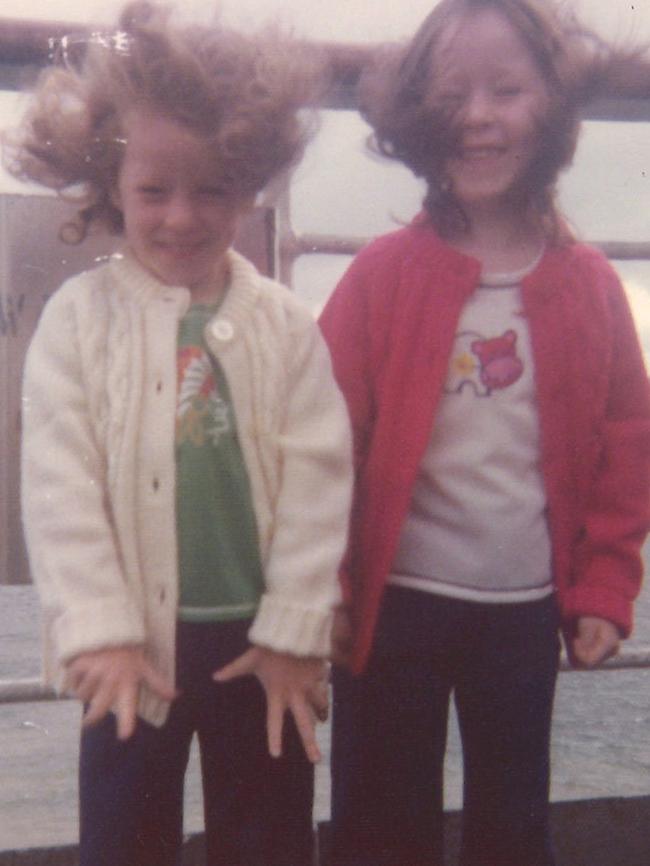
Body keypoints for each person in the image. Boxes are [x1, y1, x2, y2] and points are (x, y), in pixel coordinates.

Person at [13, 4, 352, 865]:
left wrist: (296, 632)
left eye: (212, 190)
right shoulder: (77, 320)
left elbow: (319, 478)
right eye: (152, 191)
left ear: (248, 185)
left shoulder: (284, 324)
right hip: (131, 656)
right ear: (108, 189)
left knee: (269, 837)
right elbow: (60, 487)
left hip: (262, 651)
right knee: (125, 839)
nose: (180, 217)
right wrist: (98, 633)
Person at [319, 1, 650, 865]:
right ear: (416, 116)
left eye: (507, 89)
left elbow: (628, 443)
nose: (478, 115)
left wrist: (607, 586)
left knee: (512, 830)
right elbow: (320, 444)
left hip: (522, 615)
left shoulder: (589, 286)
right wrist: (324, 583)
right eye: (453, 92)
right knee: (377, 831)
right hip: (391, 613)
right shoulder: (378, 277)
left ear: (555, 109)